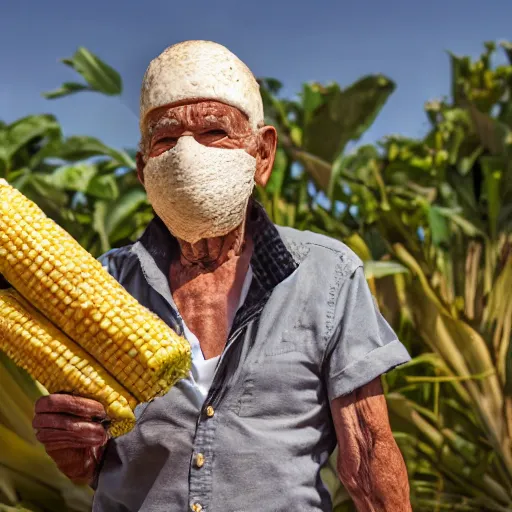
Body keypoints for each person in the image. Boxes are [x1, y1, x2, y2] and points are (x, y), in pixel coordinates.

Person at [32, 40, 412, 512]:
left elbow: (369, 456)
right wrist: (71, 445)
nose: (187, 154)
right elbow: (90, 465)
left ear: (263, 155)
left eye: (215, 131)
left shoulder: (329, 275)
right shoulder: (101, 282)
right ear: (142, 168)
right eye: (166, 140)